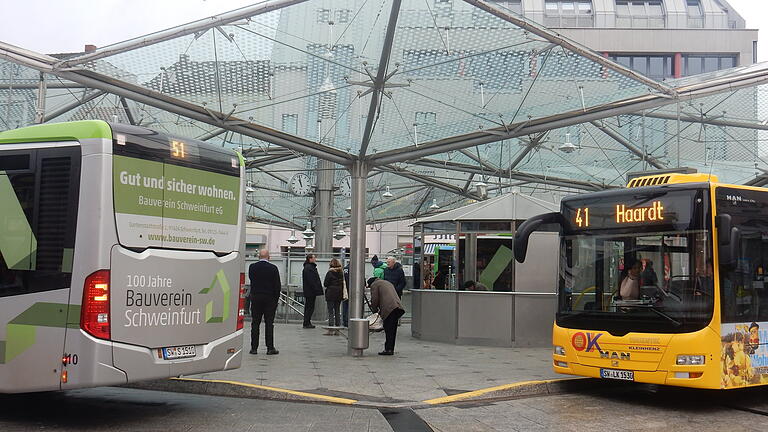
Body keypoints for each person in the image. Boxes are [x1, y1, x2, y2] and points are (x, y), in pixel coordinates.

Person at [248, 249, 281, 355]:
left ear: (259, 257)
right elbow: (277, 285)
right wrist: (275, 299)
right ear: (269, 257)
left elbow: (251, 280)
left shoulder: (252, 267)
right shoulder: (273, 268)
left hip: (256, 297)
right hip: (269, 299)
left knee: (255, 323)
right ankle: (270, 348)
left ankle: (254, 348)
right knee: (269, 323)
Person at [367, 277, 405, 356]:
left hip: (389, 308)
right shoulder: (386, 282)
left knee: (388, 329)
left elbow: (375, 299)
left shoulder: (374, 285)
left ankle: (388, 349)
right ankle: (390, 348)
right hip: (397, 307)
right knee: (393, 330)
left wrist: (374, 310)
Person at [302, 254, 324, 329]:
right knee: (309, 307)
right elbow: (311, 280)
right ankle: (306, 322)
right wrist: (316, 288)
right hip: (310, 291)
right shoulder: (309, 268)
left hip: (309, 291)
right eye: (314, 258)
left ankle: (307, 321)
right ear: (310, 259)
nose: (315, 259)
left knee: (309, 307)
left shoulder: (309, 267)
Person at [323, 258, 344, 331]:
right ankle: (338, 326)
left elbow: (325, 284)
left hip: (331, 293)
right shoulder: (341, 273)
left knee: (331, 311)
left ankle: (331, 327)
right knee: (337, 310)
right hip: (339, 293)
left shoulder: (330, 273)